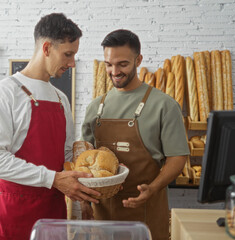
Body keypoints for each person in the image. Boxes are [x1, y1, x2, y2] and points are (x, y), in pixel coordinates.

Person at [0, 13, 100, 240]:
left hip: (53, 209)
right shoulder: (4, 92)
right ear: (46, 48)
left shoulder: (60, 98)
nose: (72, 63)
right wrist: (53, 179)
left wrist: (88, 182)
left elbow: (65, 155)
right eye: (68, 54)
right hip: (14, 210)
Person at [81, 29, 189, 240]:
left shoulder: (164, 106)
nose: (114, 71)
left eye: (123, 64)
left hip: (146, 213)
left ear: (138, 60)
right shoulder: (96, 108)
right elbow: (84, 161)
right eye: (109, 64)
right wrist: (84, 198)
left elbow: (178, 158)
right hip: (103, 217)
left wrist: (154, 187)